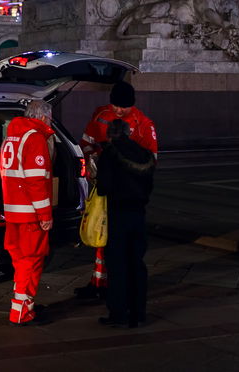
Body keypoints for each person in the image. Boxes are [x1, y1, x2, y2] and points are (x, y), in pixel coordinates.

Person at [76, 80, 157, 300]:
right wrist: (92, 159)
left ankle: (113, 285)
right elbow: (85, 143)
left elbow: (151, 161)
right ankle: (99, 281)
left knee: (117, 242)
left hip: (126, 194)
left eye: (124, 107)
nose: (119, 110)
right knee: (101, 236)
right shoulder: (100, 114)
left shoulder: (143, 124)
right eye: (116, 106)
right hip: (105, 187)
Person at [96, 119, 155, 328]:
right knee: (137, 264)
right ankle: (138, 312)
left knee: (118, 265)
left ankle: (118, 313)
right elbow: (149, 186)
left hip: (117, 215)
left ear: (110, 134)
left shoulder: (110, 154)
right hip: (139, 215)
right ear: (128, 133)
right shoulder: (144, 154)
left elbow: (103, 187)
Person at [0, 99, 55, 326]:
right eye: (49, 117)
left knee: (20, 260)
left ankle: (23, 306)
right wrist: (45, 215)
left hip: (13, 211)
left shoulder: (12, 136)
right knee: (30, 262)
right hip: (30, 214)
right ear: (42, 117)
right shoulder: (35, 137)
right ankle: (21, 312)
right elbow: (36, 181)